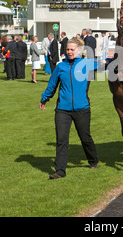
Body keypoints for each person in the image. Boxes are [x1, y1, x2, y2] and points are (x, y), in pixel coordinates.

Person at [40, 38, 99, 179]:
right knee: (61, 140)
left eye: (72, 49)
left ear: (79, 51)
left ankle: (93, 160)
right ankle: (60, 170)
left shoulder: (86, 64)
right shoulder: (61, 67)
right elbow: (52, 85)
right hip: (62, 110)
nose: (69, 52)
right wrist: (44, 98)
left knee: (85, 138)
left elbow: (108, 64)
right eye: (67, 49)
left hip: (82, 109)